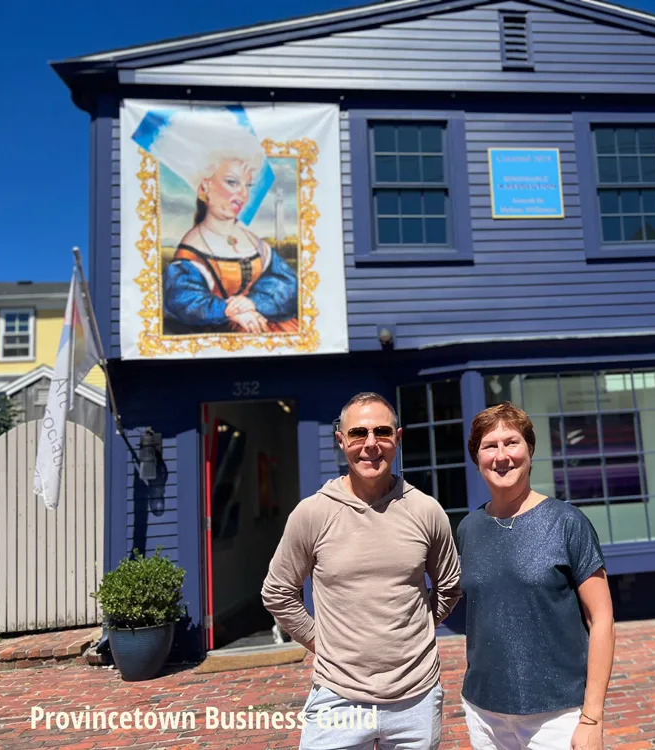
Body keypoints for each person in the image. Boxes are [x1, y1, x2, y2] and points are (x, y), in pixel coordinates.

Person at [262, 392, 462, 750]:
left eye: (382, 432)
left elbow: (449, 586)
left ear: (397, 438)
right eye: (358, 433)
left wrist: (417, 630)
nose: (371, 444)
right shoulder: (313, 514)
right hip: (338, 695)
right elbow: (278, 592)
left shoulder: (425, 510)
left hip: (415, 698)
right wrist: (320, 642)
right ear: (341, 441)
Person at [457, 402, 615, 750]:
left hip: (557, 714)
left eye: (511, 442)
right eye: (489, 446)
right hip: (484, 712)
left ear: (529, 450)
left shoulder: (567, 523)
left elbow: (601, 619)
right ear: (477, 459)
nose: (501, 456)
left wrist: (592, 717)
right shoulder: (469, 528)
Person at [144, 107, 299, 334]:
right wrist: (229, 310)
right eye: (232, 182)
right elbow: (183, 301)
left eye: (247, 185)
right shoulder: (191, 252)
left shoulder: (255, 243)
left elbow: (288, 285)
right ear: (205, 186)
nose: (242, 194)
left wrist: (253, 303)